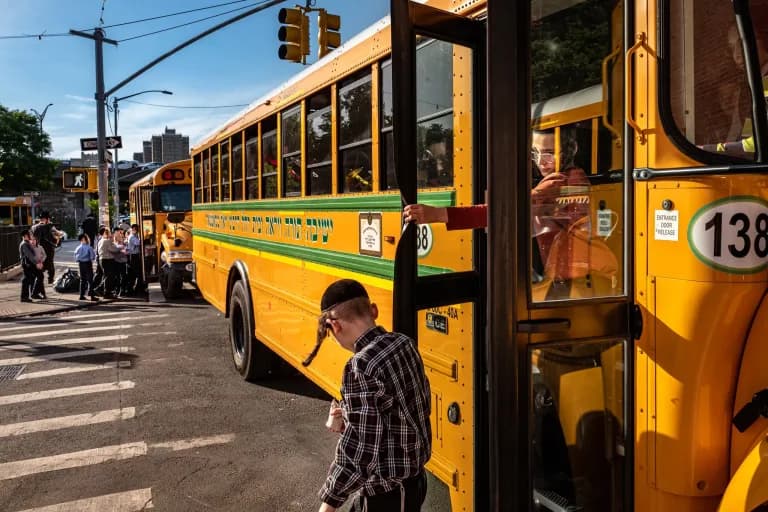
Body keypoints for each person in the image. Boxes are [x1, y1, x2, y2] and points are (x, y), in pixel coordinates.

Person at [315, 279, 431, 512]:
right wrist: (347, 419)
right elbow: (402, 412)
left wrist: (328, 503)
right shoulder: (404, 343)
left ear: (334, 325)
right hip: (415, 480)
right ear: (373, 310)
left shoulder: (361, 366)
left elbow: (361, 450)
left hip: (387, 494)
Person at [30, 211, 62, 284]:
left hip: (37, 248)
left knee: (39, 263)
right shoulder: (49, 227)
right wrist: (57, 238)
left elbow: (31, 237)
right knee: (50, 264)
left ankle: (37, 280)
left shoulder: (34, 227)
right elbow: (55, 237)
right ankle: (50, 279)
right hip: (48, 248)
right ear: (47, 219)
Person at [74, 234, 98, 301]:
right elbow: (92, 257)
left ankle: (81, 295)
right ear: (85, 239)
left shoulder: (77, 248)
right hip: (87, 264)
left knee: (82, 280)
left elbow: (75, 257)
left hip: (81, 264)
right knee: (90, 280)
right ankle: (92, 296)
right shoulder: (89, 247)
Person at [18, 230, 39, 303]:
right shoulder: (24, 244)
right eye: (29, 234)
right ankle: (24, 297)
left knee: (29, 279)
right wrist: (36, 262)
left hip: (28, 264)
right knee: (26, 281)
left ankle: (29, 295)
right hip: (27, 264)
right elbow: (29, 255)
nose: (31, 236)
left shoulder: (26, 243)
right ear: (26, 236)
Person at [125, 224, 143, 296]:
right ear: (133, 229)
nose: (136, 231)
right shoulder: (132, 237)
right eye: (135, 229)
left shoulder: (134, 236)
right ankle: (133, 290)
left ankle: (133, 289)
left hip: (134, 256)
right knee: (136, 273)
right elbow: (138, 243)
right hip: (133, 256)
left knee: (134, 274)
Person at [30, 235, 47, 300]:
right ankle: (36, 293)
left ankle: (41, 294)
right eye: (31, 240)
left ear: (36, 240)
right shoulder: (29, 248)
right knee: (39, 279)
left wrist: (41, 261)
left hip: (40, 265)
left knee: (40, 279)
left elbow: (45, 255)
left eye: (34, 239)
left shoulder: (40, 247)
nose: (33, 241)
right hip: (33, 265)